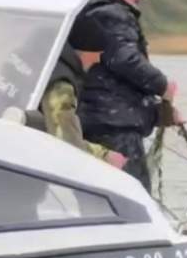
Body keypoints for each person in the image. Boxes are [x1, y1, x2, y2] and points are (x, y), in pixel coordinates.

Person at [72, 0, 181, 191]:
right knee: (133, 192)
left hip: (90, 120)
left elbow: (113, 75)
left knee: (96, 193)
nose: (136, 5)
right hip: (114, 125)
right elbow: (125, 59)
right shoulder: (113, 13)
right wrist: (162, 86)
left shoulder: (85, 10)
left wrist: (157, 111)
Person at [40, 41, 127, 170]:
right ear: (83, 51)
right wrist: (105, 156)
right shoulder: (61, 85)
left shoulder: (37, 62)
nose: (97, 61)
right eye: (96, 54)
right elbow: (67, 146)